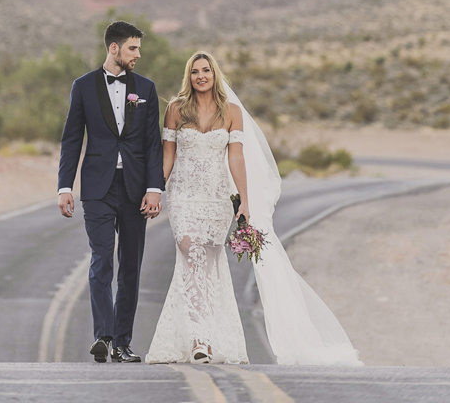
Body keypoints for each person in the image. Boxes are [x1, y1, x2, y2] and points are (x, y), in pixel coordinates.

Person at [146, 51, 361, 367]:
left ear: (215, 74)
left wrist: (244, 200)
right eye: (195, 72)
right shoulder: (176, 109)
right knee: (190, 259)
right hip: (184, 198)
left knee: (208, 267)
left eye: (206, 70)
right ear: (188, 77)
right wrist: (155, 189)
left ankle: (204, 335)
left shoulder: (231, 111)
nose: (201, 76)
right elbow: (168, 155)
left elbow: (236, 157)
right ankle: (199, 341)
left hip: (217, 199)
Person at [58, 20, 164, 363]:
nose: (138, 54)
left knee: (130, 266)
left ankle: (122, 342)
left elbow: (152, 145)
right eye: (132, 48)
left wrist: (154, 188)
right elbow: (72, 138)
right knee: (101, 259)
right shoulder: (84, 86)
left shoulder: (146, 89)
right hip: (97, 188)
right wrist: (65, 187)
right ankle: (102, 336)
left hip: (136, 190)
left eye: (138, 48)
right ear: (114, 48)